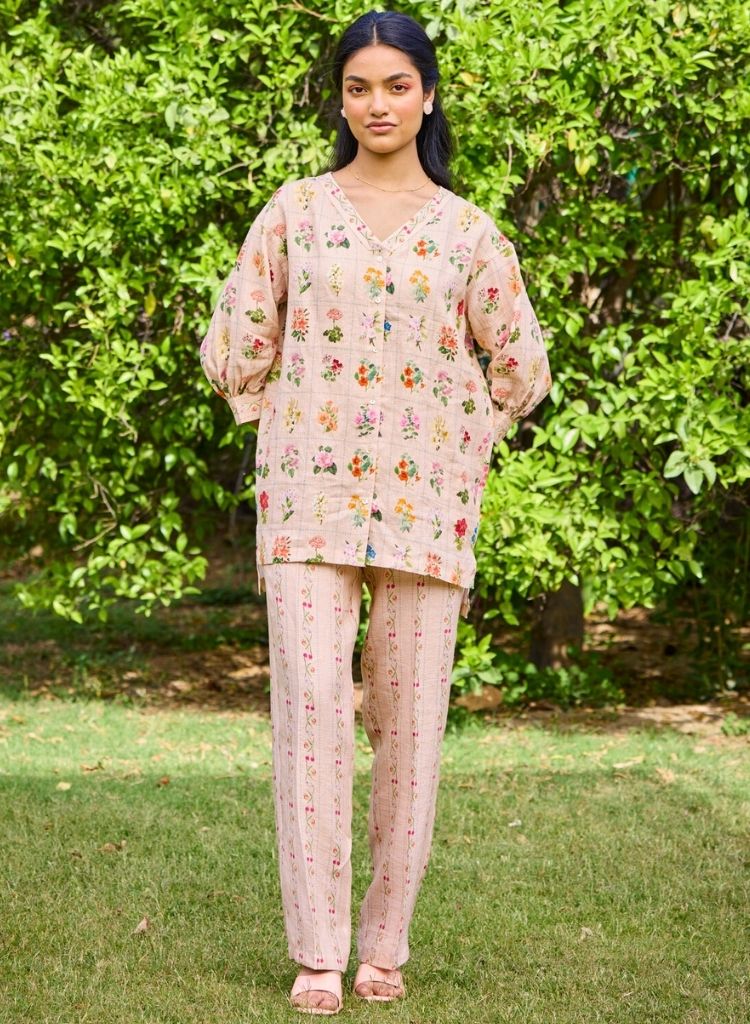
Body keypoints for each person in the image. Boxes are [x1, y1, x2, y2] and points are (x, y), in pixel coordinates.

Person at [199, 9, 552, 1015]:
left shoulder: (469, 231)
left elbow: (521, 364)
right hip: (308, 501)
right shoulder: (297, 212)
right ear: (341, 101)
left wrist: (469, 436)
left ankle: (384, 945)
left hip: (426, 507)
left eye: (397, 85)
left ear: (427, 96)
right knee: (312, 718)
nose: (378, 104)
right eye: (359, 87)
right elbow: (238, 339)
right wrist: (268, 410)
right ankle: (319, 951)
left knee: (410, 729)